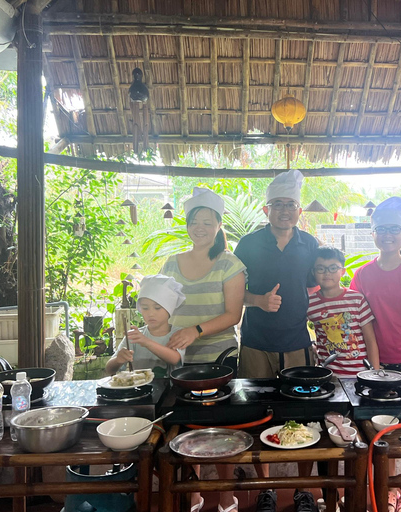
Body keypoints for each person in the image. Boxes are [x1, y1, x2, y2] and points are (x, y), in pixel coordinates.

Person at [233, 169, 319, 512]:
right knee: (258, 415)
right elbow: (232, 294)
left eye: (291, 204)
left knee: (303, 414)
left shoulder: (309, 244)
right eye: (278, 204)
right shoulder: (249, 244)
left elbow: (320, 282)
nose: (285, 210)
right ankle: (265, 487)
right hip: (255, 341)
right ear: (266, 209)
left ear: (300, 210)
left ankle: (303, 489)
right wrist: (258, 301)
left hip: (298, 341)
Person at [161, 187, 246, 512]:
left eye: (208, 222)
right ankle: (193, 496)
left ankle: (227, 499)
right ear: (187, 224)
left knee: (223, 428)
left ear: (218, 225)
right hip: (180, 357)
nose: (201, 227)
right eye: (195, 221)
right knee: (185, 428)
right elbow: (162, 308)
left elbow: (232, 314)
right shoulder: (171, 263)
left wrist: (194, 331)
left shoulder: (230, 263)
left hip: (219, 358)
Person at [350, 197, 401, 377]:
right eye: (380, 229)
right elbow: (356, 322)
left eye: (395, 229)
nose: (387, 235)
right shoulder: (361, 275)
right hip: (371, 359)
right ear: (372, 234)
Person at [307, 246, 378, 375]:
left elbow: (370, 340)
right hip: (327, 376)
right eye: (321, 268)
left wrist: (375, 374)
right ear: (313, 272)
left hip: (360, 374)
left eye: (333, 268)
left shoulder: (357, 299)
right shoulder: (310, 303)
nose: (327, 273)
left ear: (343, 271)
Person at [105, 274, 186, 376]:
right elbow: (109, 369)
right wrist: (118, 359)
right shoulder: (135, 336)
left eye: (157, 308)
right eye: (145, 308)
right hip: (139, 390)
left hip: (170, 390)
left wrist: (146, 341)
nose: (151, 313)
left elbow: (175, 359)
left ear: (169, 309)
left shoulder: (178, 334)